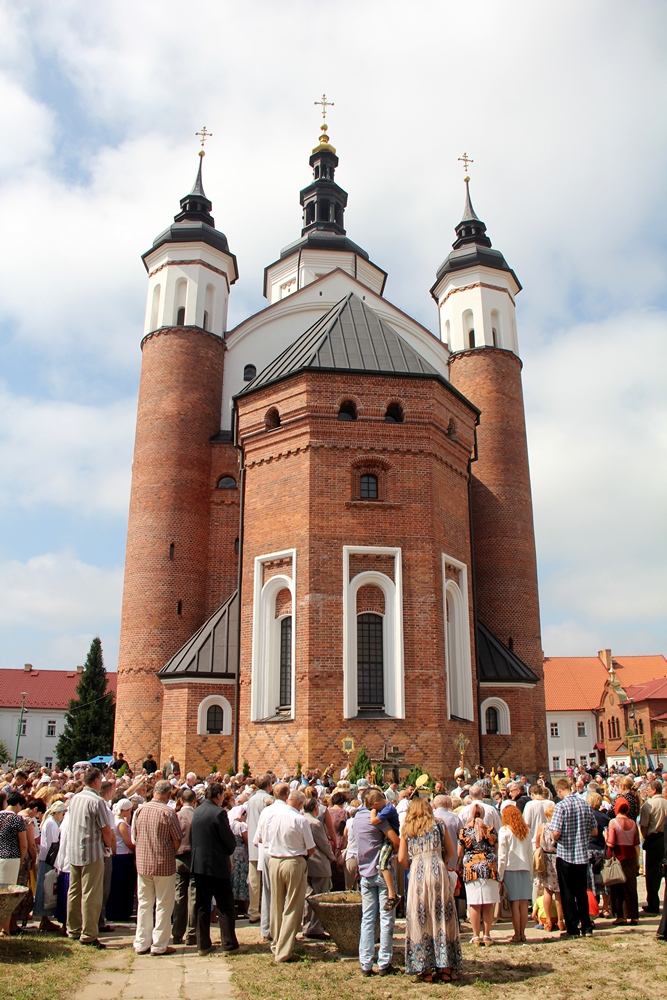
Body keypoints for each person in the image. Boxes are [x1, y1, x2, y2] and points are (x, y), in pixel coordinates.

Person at [398, 796, 461, 983]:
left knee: (420, 918)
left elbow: (402, 858)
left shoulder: (407, 828)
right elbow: (450, 851)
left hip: (418, 871)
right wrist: (439, 861)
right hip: (437, 870)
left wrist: (415, 865)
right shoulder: (438, 824)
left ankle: (423, 968)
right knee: (442, 916)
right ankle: (446, 968)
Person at [132, 778, 182, 955]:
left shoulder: (140, 810)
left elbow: (135, 837)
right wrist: (169, 851)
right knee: (164, 904)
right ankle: (159, 944)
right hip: (163, 864)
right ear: (169, 795)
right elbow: (177, 840)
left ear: (154, 792)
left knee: (144, 903)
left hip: (143, 863)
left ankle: (141, 942)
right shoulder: (168, 812)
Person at [66, 768, 114, 949]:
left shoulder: (75, 798)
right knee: (91, 894)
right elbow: (105, 829)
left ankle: (73, 928)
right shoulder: (98, 801)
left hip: (74, 849)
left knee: (74, 891)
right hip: (92, 851)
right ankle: (88, 934)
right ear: (96, 781)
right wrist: (108, 845)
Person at [354, 788, 400, 976]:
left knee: (367, 918)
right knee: (386, 917)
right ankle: (384, 962)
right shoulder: (380, 820)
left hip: (365, 871)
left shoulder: (357, 818)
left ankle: (365, 963)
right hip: (382, 871)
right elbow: (395, 841)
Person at [190, 782, 238, 957]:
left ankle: (202, 944)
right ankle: (229, 944)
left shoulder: (197, 811)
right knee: (225, 906)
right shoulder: (219, 813)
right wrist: (229, 849)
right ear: (218, 796)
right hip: (216, 865)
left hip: (199, 865)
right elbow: (229, 842)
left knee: (202, 905)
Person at [267, 789, 315, 963]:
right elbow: (311, 848)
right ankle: (284, 951)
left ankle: (276, 943)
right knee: (293, 906)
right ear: (301, 804)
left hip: (274, 860)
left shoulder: (272, 815)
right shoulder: (299, 819)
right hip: (293, 861)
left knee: (276, 904)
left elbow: (264, 840)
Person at [549, 776, 597, 938]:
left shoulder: (561, 806)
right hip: (582, 855)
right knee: (581, 892)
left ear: (560, 790)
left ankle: (573, 928)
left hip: (566, 854)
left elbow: (556, 832)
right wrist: (582, 835)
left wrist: (553, 838)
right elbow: (595, 831)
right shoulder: (585, 804)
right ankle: (587, 926)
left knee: (567, 892)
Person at [458, 802, 499, 946]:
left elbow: (459, 852)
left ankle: (475, 936)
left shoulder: (464, 831)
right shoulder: (491, 830)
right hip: (489, 866)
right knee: (488, 902)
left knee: (474, 903)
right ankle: (487, 935)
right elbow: (496, 849)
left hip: (472, 868)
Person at [497, 804, 532, 943]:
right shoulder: (526, 831)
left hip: (510, 868)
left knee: (514, 904)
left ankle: (517, 934)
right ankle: (522, 934)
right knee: (523, 903)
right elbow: (529, 852)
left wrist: (499, 874)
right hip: (525, 867)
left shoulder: (504, 830)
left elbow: (502, 855)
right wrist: (531, 870)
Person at [302, 793, 335, 939]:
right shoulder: (314, 823)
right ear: (315, 808)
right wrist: (332, 856)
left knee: (308, 896)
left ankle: (307, 924)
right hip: (318, 862)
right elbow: (323, 844)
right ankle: (315, 927)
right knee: (320, 896)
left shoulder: (301, 820)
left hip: (307, 863)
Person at [33, 799, 67, 932]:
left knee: (45, 889)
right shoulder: (52, 824)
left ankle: (45, 919)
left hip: (45, 859)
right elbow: (54, 844)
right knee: (45, 890)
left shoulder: (49, 822)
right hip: (48, 860)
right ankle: (44, 919)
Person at [605, 800, 640, 925]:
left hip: (618, 857)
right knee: (631, 887)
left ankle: (621, 916)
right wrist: (637, 860)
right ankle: (633, 915)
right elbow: (636, 844)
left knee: (617, 887)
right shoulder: (633, 823)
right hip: (630, 857)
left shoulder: (613, 822)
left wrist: (605, 835)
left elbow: (611, 842)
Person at [245, 773, 274, 924]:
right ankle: (267, 911)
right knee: (268, 880)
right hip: (266, 843)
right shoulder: (268, 800)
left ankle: (253, 911)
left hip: (252, 843)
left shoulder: (251, 800)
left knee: (254, 881)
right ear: (269, 785)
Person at [0, 792, 28, 936]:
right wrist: (21, 860)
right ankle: (5, 929)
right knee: (7, 897)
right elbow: (24, 845)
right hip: (11, 858)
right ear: (17, 804)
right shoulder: (17, 820)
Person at [172, 788, 197, 944]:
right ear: (194, 801)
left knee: (179, 895)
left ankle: (176, 933)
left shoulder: (176, 815)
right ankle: (192, 933)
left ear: (181, 801)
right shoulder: (197, 816)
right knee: (193, 895)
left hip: (179, 857)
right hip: (194, 858)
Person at [535, 803, 564, 931]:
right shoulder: (559, 827)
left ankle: (548, 921)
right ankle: (560, 920)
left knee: (547, 890)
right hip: (557, 857)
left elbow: (537, 841)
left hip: (546, 858)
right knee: (559, 892)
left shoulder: (543, 827)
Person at [639, 779, 667, 915]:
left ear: (654, 790)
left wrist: (645, 838)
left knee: (652, 874)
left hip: (654, 839)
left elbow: (644, 826)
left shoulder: (648, 805)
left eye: (648, 789)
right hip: (665, 838)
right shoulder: (666, 803)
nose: (647, 791)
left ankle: (653, 903)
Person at [106, 799, 135, 922]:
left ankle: (118, 911)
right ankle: (119, 911)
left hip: (120, 856)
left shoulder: (117, 820)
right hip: (122, 856)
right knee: (121, 885)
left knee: (121, 885)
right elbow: (128, 841)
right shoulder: (120, 823)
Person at [369, 796, 400, 909]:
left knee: (383, 864)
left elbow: (373, 821)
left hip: (390, 839)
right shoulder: (386, 807)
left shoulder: (388, 809)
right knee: (383, 864)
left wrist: (373, 810)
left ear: (376, 803)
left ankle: (392, 894)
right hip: (388, 839)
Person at [229, 803, 250, 918]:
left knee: (233, 882)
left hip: (233, 855)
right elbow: (247, 840)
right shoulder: (241, 826)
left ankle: (233, 908)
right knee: (243, 882)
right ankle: (247, 909)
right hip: (242, 856)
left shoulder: (230, 824)